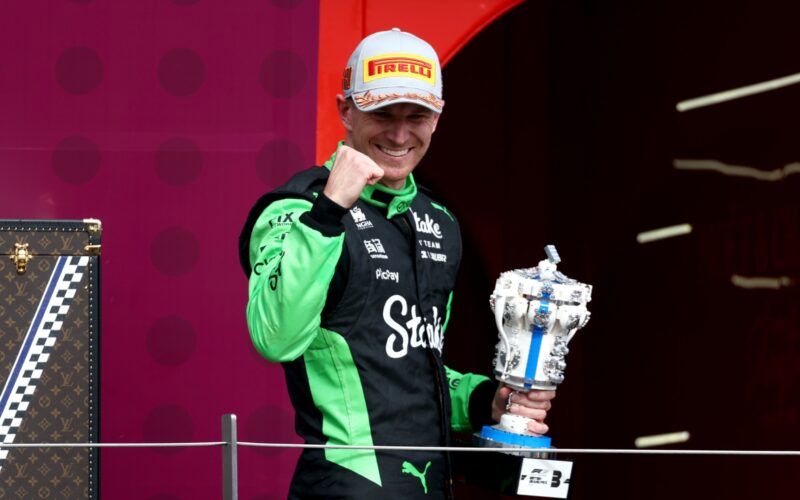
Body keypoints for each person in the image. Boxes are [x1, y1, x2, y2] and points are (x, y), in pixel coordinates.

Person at [239, 28, 555, 499]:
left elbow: (411, 368)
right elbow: (276, 338)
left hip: (431, 484)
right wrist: (329, 210)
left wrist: (486, 400)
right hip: (346, 486)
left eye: (417, 116)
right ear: (346, 111)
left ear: (437, 118)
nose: (401, 134)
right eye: (383, 114)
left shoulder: (440, 221)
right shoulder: (298, 206)